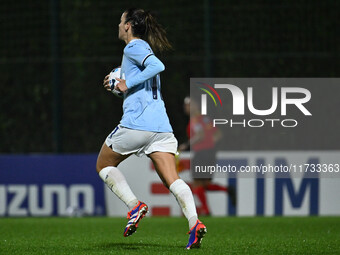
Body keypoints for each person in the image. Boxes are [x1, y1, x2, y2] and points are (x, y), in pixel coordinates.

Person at [96, 8, 206, 249]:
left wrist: (125, 83)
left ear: (128, 26)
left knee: (103, 165)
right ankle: (195, 224)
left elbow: (158, 66)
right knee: (172, 180)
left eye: (120, 21)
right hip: (161, 127)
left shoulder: (133, 47)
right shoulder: (141, 49)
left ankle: (134, 205)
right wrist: (122, 84)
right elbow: (144, 79)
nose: (118, 25)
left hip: (137, 125)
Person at [179, 97, 236, 216]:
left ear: (195, 106)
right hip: (210, 153)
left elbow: (200, 135)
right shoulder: (205, 119)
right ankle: (227, 190)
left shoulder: (195, 120)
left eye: (188, 105)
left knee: (197, 183)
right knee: (205, 184)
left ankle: (206, 210)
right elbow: (218, 134)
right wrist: (210, 145)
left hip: (201, 153)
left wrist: (186, 145)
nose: (186, 108)